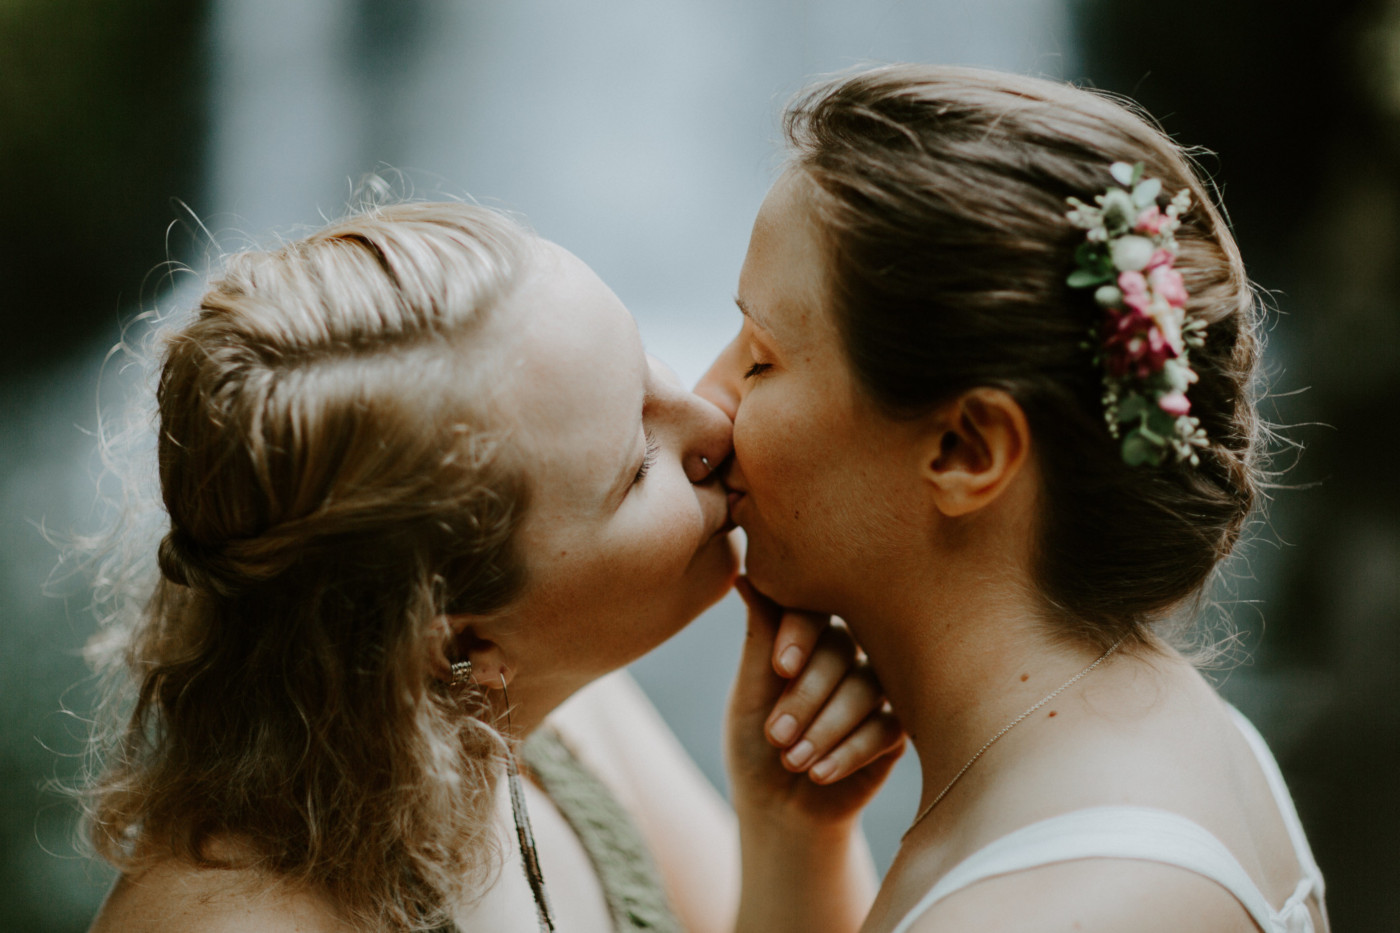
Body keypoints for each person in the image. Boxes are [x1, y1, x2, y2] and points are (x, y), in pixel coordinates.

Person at [79, 201, 904, 933]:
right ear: (456, 647)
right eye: (636, 467)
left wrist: (793, 829)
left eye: (647, 368)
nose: (716, 425)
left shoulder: (563, 720)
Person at [699, 65, 1329, 933]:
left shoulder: (1064, 909)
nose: (706, 398)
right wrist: (791, 833)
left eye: (760, 358)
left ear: (966, 450)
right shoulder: (1160, 725)